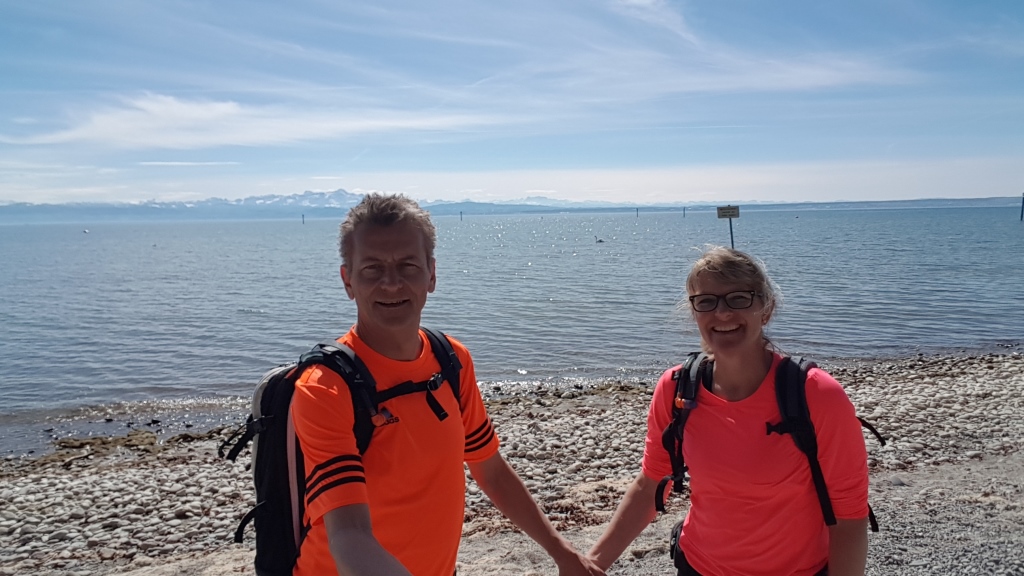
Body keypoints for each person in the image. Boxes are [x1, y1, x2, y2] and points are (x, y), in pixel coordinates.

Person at [290, 193, 604, 576]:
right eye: (372, 269)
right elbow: (349, 534)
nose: (391, 284)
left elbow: (490, 470)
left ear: (432, 274)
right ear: (348, 280)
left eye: (408, 266)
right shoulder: (325, 387)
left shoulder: (450, 360)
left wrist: (562, 552)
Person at [587, 246, 869, 576]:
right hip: (698, 567)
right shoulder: (676, 388)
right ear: (694, 312)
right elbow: (651, 484)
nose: (721, 313)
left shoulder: (817, 395)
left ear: (765, 309)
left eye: (738, 298)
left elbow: (849, 517)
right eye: (706, 301)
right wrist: (592, 564)